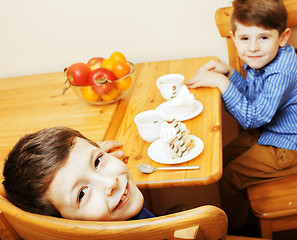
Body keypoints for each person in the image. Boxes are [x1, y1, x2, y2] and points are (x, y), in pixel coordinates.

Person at [186, 0, 297, 231]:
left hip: (288, 145)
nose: (253, 47)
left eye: (264, 37)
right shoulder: (264, 58)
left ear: (283, 37)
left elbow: (253, 117)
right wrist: (230, 74)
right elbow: (253, 98)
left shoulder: (282, 69)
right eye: (245, 38)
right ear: (234, 37)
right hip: (268, 131)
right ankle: (241, 214)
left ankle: (235, 231)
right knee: (221, 158)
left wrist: (222, 82)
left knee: (229, 178)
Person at [2, 126, 155, 221]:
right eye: (81, 194)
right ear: (64, 223)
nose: (111, 183)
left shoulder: (116, 209)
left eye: (97, 161)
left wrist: (88, 152)